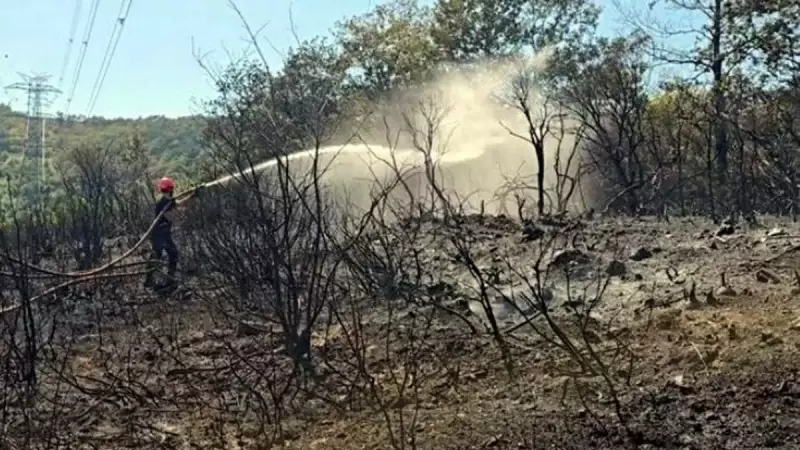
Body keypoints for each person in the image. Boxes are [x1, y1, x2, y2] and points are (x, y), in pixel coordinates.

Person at [144, 176, 202, 291]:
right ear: (171, 189)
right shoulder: (164, 203)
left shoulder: (168, 201)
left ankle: (154, 280)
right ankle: (162, 280)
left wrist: (192, 196)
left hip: (161, 234)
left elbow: (178, 203)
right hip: (160, 234)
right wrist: (184, 214)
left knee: (161, 256)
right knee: (167, 255)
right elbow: (173, 217)